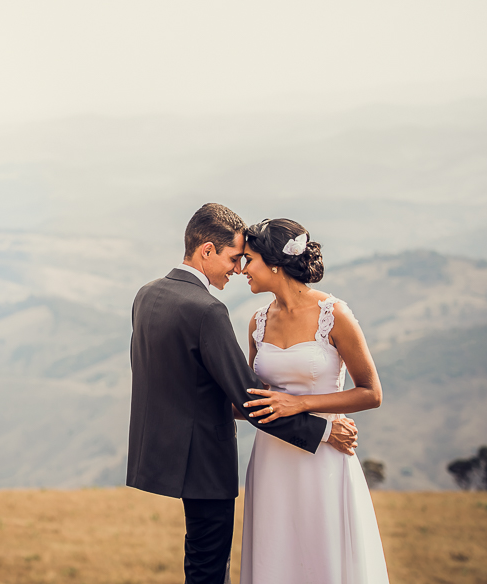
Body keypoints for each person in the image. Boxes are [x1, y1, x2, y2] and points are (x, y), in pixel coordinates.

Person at [126, 203, 359, 584]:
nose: (237, 269)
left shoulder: (147, 295)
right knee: (207, 569)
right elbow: (249, 399)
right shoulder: (207, 310)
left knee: (199, 561)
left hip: (164, 454)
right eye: (234, 258)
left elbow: (176, 379)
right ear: (206, 251)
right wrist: (323, 430)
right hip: (205, 462)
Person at [238, 218, 389, 583]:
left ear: (275, 263)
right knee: (276, 558)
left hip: (324, 460)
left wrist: (302, 404)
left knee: (322, 559)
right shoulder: (257, 322)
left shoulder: (334, 315)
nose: (243, 270)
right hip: (272, 459)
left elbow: (371, 393)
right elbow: (252, 400)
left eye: (249, 260)